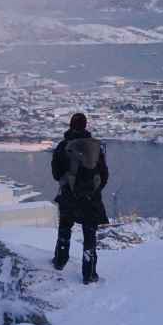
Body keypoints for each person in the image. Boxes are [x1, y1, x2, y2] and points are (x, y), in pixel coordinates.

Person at [50, 112, 109, 283]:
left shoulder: (63, 146)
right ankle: (89, 274)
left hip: (69, 197)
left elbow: (56, 174)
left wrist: (68, 185)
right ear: (85, 125)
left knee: (64, 229)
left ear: (70, 125)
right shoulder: (95, 147)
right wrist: (93, 191)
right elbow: (104, 175)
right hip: (91, 200)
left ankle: (60, 261)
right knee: (89, 237)